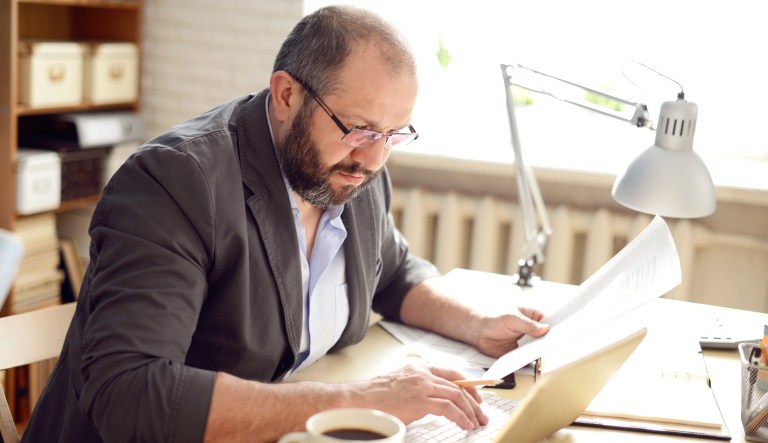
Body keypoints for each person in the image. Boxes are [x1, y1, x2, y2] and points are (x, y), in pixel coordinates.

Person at [23, 5, 549, 442]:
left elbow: (391, 272)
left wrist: (478, 325)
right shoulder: (176, 182)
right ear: (286, 95)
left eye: (394, 134)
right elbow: (131, 394)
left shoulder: (354, 169)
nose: (374, 158)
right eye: (361, 128)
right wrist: (357, 400)